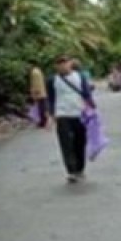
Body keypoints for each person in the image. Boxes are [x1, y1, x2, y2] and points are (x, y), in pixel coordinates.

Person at [47, 55, 95, 183]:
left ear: (70, 63)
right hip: (62, 115)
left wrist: (92, 109)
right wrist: (51, 115)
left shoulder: (80, 77)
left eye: (65, 62)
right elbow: (51, 99)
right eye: (60, 63)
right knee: (66, 143)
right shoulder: (52, 80)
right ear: (56, 66)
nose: (63, 65)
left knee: (80, 142)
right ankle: (71, 170)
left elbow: (86, 94)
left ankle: (80, 168)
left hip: (79, 114)